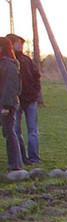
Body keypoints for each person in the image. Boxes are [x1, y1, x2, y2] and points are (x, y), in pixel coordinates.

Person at [6, 34, 41, 165]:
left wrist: (36, 92)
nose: (20, 45)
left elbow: (37, 76)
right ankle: (21, 157)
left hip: (30, 99)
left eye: (21, 43)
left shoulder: (27, 60)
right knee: (16, 130)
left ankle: (34, 158)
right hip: (16, 101)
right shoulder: (8, 62)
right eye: (17, 43)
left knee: (33, 131)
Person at [0, 37, 22, 172]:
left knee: (10, 132)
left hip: (7, 104)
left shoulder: (9, 64)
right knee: (8, 132)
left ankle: (16, 164)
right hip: (4, 103)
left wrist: (6, 107)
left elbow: (11, 87)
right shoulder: (4, 63)